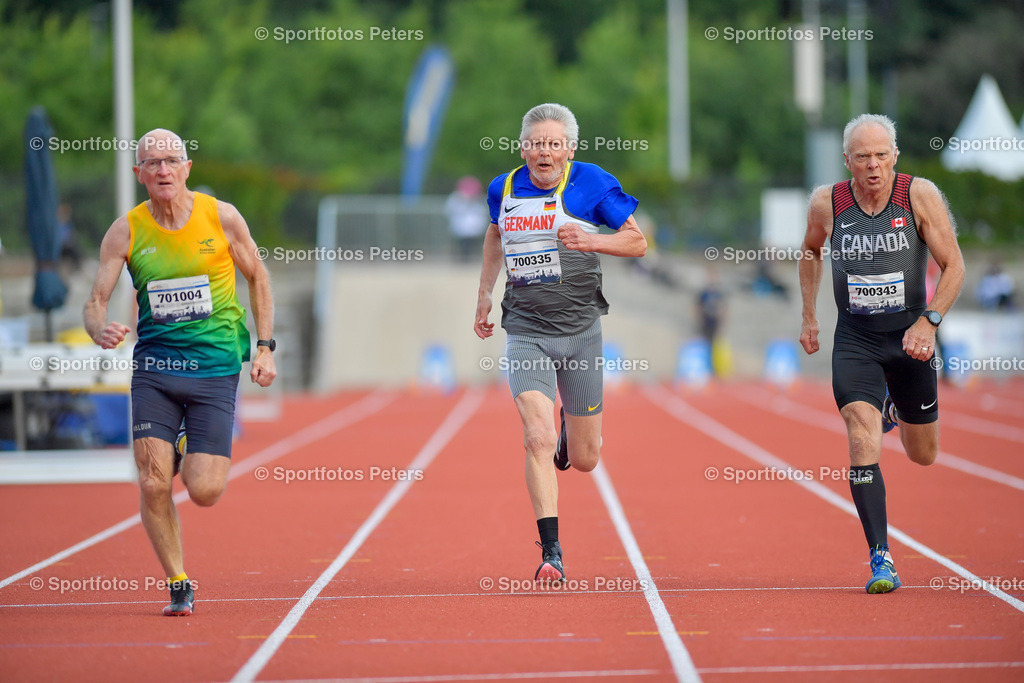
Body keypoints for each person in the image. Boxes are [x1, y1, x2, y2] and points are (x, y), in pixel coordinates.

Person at [83, 129, 277, 615]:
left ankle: (186, 443)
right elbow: (95, 301)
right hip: (155, 369)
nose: (163, 170)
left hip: (213, 369)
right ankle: (178, 582)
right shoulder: (125, 231)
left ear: (187, 167)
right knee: (152, 480)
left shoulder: (222, 216)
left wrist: (266, 347)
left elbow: (258, 276)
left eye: (171, 161)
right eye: (153, 163)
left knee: (206, 490)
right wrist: (97, 329)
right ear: (139, 174)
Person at [474, 103, 646, 582]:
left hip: (581, 334)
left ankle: (574, 434)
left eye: (553, 144)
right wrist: (484, 295)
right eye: (535, 143)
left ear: (569, 149)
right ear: (523, 147)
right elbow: (494, 235)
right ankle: (552, 552)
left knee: (586, 459)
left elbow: (637, 243)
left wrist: (592, 241)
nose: (543, 153)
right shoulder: (503, 189)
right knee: (536, 435)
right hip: (526, 330)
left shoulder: (591, 183)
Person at [798, 114, 965, 593]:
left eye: (881, 155)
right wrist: (810, 315)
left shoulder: (918, 195)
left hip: (910, 337)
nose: (873, 166)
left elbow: (954, 264)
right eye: (862, 157)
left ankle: (896, 406)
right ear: (846, 160)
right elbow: (810, 251)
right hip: (857, 339)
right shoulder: (828, 202)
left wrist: (929, 322)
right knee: (860, 433)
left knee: (923, 454)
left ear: (895, 155)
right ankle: (881, 556)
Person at [445, 176, 489, 263]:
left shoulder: (480, 200)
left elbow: (482, 214)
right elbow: (449, 210)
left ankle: (472, 260)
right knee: (462, 245)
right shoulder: (455, 199)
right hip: (460, 228)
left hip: (475, 229)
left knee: (474, 245)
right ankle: (462, 260)